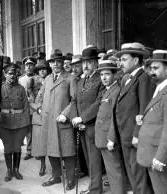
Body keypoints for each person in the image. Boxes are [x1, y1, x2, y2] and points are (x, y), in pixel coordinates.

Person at [108, 42, 155, 194]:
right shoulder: (127, 78)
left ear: (135, 60)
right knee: (132, 175)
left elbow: (144, 110)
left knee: (138, 175)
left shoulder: (143, 79)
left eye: (124, 59)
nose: (120, 63)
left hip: (134, 137)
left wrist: (136, 134)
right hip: (125, 134)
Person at [136, 50, 167, 194]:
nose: (151, 72)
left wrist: (161, 157)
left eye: (155, 68)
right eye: (150, 68)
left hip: (159, 156)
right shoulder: (161, 87)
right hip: (152, 152)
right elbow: (158, 116)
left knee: (164, 190)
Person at [37, 49, 76, 191]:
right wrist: (40, 108)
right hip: (48, 122)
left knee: (67, 151)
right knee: (51, 150)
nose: (56, 64)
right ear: (50, 64)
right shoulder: (47, 79)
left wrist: (66, 114)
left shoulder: (70, 78)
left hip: (62, 121)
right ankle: (56, 175)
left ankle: (71, 178)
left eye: (58, 61)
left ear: (63, 62)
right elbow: (39, 97)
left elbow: (75, 100)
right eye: (53, 62)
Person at [70, 46, 105, 194]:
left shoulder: (100, 79)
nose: (85, 66)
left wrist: (83, 119)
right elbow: (75, 101)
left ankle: (96, 189)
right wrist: (75, 119)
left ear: (96, 63)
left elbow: (99, 102)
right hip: (81, 125)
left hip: (93, 125)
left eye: (89, 62)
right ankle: (92, 186)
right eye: (84, 63)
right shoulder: (82, 80)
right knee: (88, 158)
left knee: (94, 159)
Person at [95, 60, 127, 194]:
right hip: (103, 136)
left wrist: (111, 139)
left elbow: (115, 116)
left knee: (115, 171)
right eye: (101, 74)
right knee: (111, 170)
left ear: (115, 75)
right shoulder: (108, 90)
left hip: (109, 138)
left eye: (107, 74)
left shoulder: (116, 91)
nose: (103, 77)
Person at [0, 61, 30, 182]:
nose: (13, 76)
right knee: (7, 147)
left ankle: (16, 169)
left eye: (15, 74)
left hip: (19, 122)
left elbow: (26, 106)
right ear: (5, 74)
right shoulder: (0, 88)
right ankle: (9, 170)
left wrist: (26, 124)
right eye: (10, 74)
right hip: (5, 122)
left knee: (17, 147)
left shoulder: (21, 89)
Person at [30, 58, 51, 177]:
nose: (42, 72)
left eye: (44, 69)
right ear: (37, 71)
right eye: (40, 70)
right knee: (40, 143)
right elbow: (30, 100)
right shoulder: (32, 81)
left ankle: (55, 165)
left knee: (52, 141)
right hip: (38, 115)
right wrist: (37, 108)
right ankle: (42, 165)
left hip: (49, 114)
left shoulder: (51, 79)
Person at [19, 56, 37, 160]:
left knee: (37, 129)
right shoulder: (21, 79)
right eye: (27, 65)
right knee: (28, 130)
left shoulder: (38, 78)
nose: (29, 67)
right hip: (25, 108)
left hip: (36, 107)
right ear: (24, 67)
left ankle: (39, 150)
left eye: (31, 65)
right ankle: (29, 150)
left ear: (34, 66)